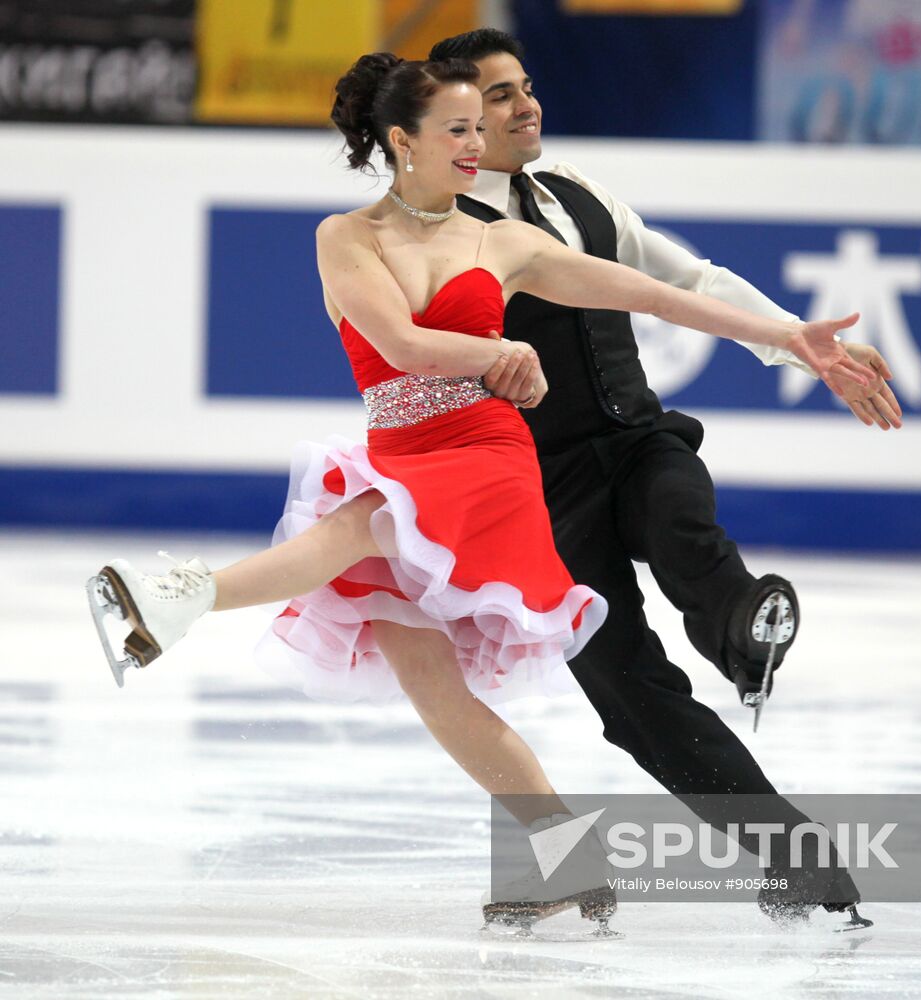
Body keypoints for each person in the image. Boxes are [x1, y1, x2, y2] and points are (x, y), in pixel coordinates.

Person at [86, 54, 875, 932]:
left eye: (480, 124)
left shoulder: (508, 241)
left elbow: (657, 293)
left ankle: (180, 597)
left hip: (482, 452)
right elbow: (398, 342)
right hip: (407, 445)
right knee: (434, 681)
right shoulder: (347, 236)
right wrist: (500, 352)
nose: (478, 141)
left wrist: (787, 337)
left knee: (364, 522)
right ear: (401, 140)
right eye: (459, 127)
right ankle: (566, 857)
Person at [426, 28, 896, 927]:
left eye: (526, 85)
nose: (525, 105)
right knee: (631, 695)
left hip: (638, 439)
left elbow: (693, 280)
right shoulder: (438, 235)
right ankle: (794, 855)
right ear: (453, 121)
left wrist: (800, 347)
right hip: (538, 492)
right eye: (498, 95)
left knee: (683, 523)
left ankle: (744, 631)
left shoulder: (576, 192)